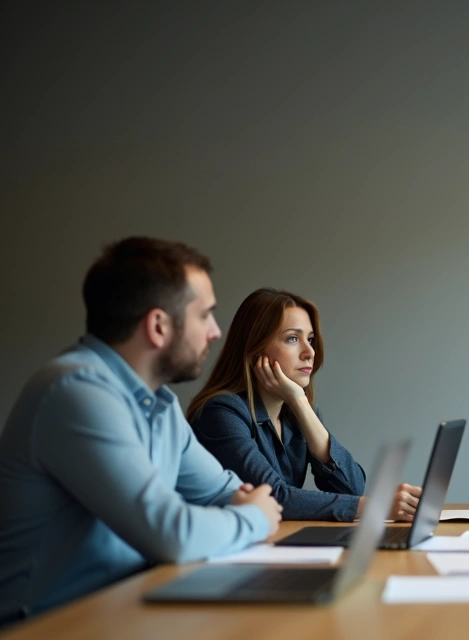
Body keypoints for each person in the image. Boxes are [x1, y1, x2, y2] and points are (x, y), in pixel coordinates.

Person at [0, 238, 281, 627]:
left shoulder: (159, 402)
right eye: (205, 316)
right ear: (158, 326)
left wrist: (246, 507)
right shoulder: (75, 391)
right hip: (52, 625)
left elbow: (225, 493)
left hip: (126, 609)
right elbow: (173, 534)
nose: (216, 332)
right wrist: (255, 518)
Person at [188, 288, 420, 522]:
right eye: (292, 338)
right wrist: (377, 507)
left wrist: (300, 404)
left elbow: (351, 488)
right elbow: (273, 497)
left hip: (273, 544)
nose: (309, 352)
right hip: (226, 553)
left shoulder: (296, 411)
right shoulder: (221, 413)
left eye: (309, 339)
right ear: (256, 350)